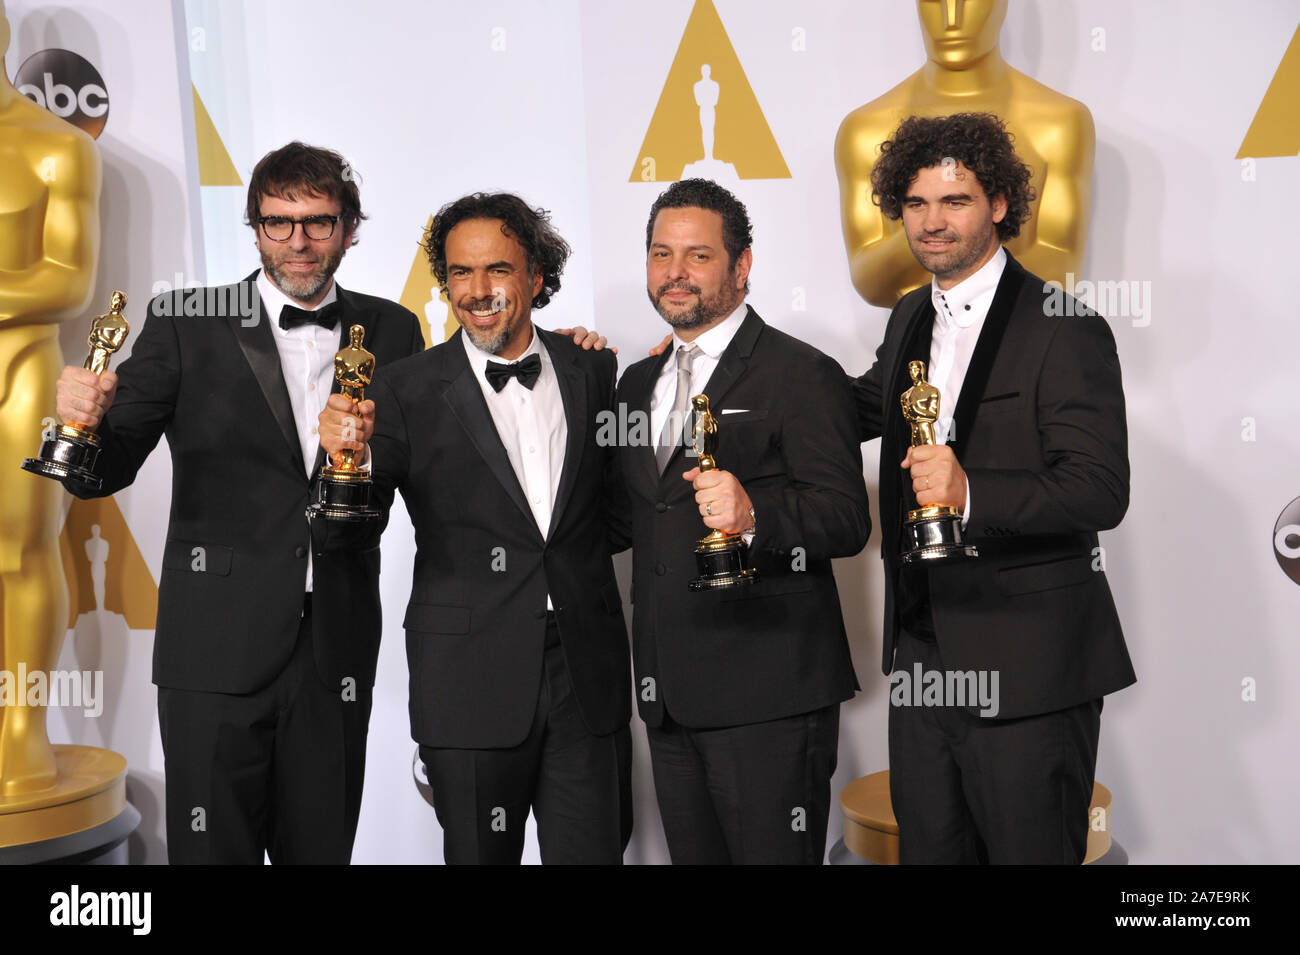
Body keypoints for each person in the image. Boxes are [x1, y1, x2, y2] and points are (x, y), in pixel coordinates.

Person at [53, 141, 426, 863]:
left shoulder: (394, 329)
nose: (298, 241)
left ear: (350, 227)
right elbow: (103, 470)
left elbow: (429, 454)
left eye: (318, 222)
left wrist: (565, 352)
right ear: (253, 227)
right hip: (213, 651)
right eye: (278, 222)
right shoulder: (187, 320)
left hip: (335, 646)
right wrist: (79, 422)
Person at [850, 112, 1135, 864]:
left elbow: (1099, 488)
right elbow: (858, 403)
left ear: (1001, 204)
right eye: (915, 204)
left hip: (1030, 667)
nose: (932, 223)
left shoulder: (1063, 325)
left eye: (955, 201)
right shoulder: (909, 313)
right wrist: (714, 358)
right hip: (922, 662)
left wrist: (973, 490)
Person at [329, 193, 632, 865]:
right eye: (460, 273)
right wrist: (344, 462)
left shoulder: (593, 371)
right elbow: (349, 533)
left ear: (536, 277)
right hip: (467, 682)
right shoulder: (404, 388)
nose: (478, 290)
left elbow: (617, 518)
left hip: (585, 676)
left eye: (498, 268)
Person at [611, 178, 869, 864]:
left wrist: (757, 513)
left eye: (697, 255)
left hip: (770, 696)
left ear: (742, 265)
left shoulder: (803, 372)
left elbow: (847, 519)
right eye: (661, 253)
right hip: (668, 695)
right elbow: (636, 515)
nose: (674, 272)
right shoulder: (636, 384)